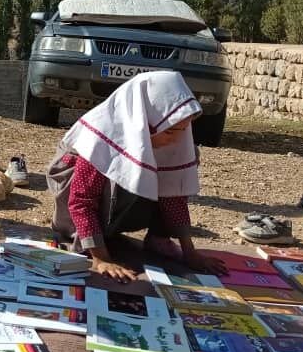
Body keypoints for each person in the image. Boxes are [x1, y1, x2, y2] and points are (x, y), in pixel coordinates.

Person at [47, 71, 228, 281]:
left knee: (181, 162)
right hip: (81, 206)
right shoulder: (100, 139)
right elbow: (81, 201)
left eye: (183, 129)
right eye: (170, 132)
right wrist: (101, 259)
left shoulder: (173, 140)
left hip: (121, 208)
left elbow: (174, 195)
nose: (176, 138)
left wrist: (190, 252)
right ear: (144, 122)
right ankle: (91, 241)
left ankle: (158, 238)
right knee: (121, 170)